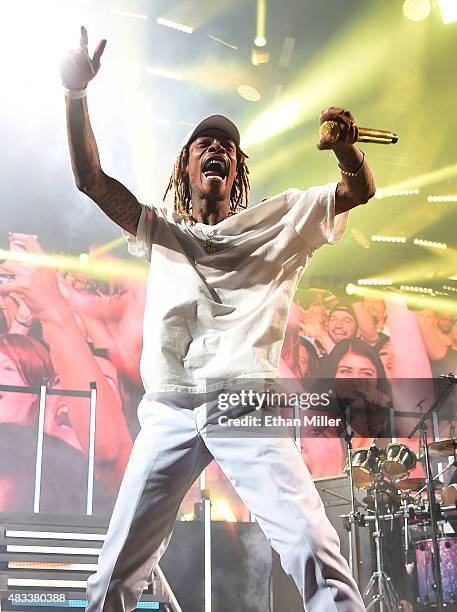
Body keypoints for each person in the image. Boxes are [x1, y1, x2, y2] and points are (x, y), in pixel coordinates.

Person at [60, 26, 377, 612]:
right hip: (170, 408)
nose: (218, 150)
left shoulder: (279, 222)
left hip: (246, 403)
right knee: (109, 583)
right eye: (205, 143)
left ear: (237, 173)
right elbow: (91, 180)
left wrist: (346, 150)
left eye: (228, 148)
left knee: (313, 549)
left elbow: (357, 190)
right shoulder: (160, 230)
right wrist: (75, 95)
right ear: (185, 167)